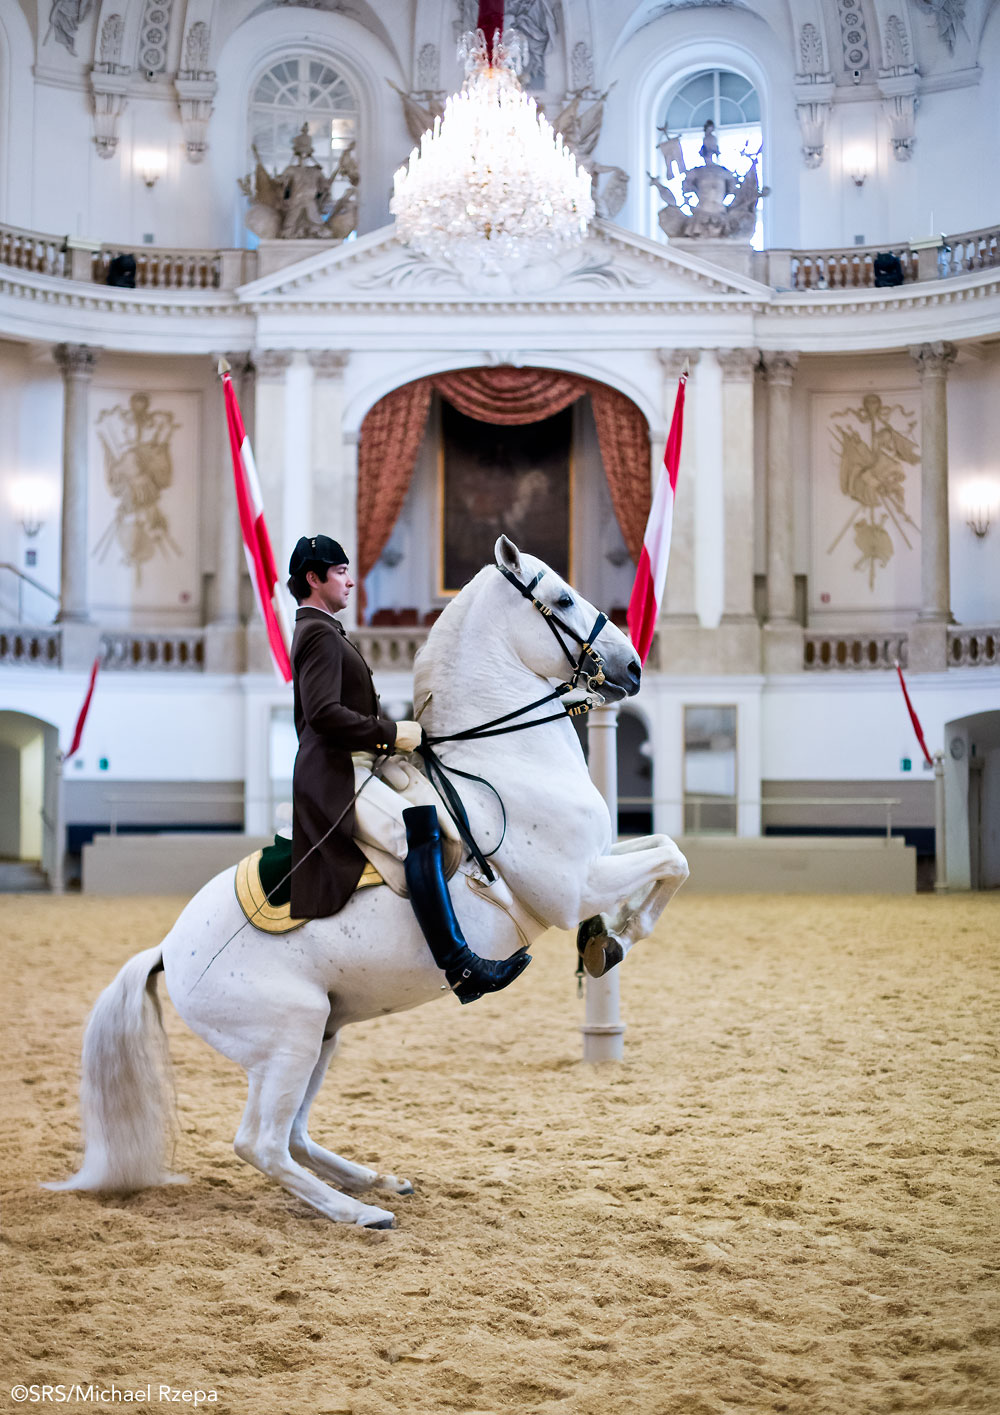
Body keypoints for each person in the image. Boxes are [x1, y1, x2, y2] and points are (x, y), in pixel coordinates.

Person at [286, 534, 530, 1004]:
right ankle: (461, 967)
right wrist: (390, 732)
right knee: (414, 832)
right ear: (314, 579)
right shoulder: (316, 633)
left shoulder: (325, 629)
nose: (350, 580)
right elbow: (322, 715)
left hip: (359, 763)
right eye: (340, 572)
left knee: (433, 809)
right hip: (338, 775)